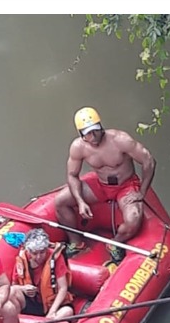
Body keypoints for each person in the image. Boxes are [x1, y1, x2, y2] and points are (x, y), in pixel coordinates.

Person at [53, 106, 157, 255]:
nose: (94, 136)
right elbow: (72, 175)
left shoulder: (120, 140)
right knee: (60, 201)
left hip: (125, 185)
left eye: (96, 130)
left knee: (133, 218)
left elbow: (149, 161)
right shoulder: (78, 147)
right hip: (101, 185)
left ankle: (116, 242)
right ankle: (76, 243)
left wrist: (142, 192)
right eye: (88, 133)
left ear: (101, 126)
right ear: (81, 134)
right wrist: (81, 201)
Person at [9, 228, 73, 319]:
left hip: (52, 304)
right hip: (33, 302)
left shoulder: (56, 258)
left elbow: (63, 288)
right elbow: (14, 286)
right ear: (28, 251)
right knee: (12, 292)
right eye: (34, 253)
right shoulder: (22, 260)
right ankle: (20, 321)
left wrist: (52, 312)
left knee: (67, 312)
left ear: (46, 248)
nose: (38, 257)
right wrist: (23, 288)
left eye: (42, 252)